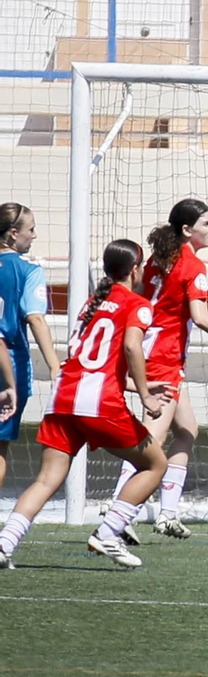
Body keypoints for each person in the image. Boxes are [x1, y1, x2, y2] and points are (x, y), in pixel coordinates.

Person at [0, 240, 170, 570]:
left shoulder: (92, 303)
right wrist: (147, 396)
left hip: (64, 397)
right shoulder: (137, 304)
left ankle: (5, 543)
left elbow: (94, 363)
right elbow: (132, 349)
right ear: (134, 270)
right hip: (99, 403)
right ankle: (109, 532)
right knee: (155, 465)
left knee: (47, 479)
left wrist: (140, 386)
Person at [106, 199, 208, 541]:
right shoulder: (192, 267)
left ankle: (168, 514)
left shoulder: (159, 260)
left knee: (187, 429)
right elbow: (200, 316)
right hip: (163, 357)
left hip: (150, 349)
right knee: (153, 437)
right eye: (207, 223)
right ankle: (117, 509)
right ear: (188, 230)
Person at [1, 203, 60, 497]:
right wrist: (54, 366)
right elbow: (35, 318)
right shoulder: (27, 271)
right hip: (7, 362)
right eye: (31, 229)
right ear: (13, 234)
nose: (34, 236)